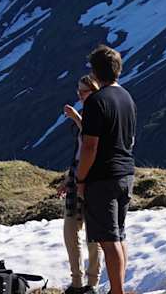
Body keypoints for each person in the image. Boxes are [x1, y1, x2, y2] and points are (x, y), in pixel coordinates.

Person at [75, 45, 137, 294]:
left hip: (103, 178)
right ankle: (117, 288)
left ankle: (117, 291)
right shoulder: (126, 97)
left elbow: (90, 147)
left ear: (95, 71)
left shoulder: (96, 102)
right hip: (126, 173)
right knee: (118, 236)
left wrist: (81, 179)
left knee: (107, 239)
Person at [58, 75, 103, 294]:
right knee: (70, 230)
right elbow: (79, 152)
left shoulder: (99, 114)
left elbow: (93, 143)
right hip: (77, 179)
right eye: (78, 91)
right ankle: (77, 281)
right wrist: (68, 179)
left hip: (93, 181)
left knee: (93, 233)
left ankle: (92, 283)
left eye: (83, 92)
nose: (79, 96)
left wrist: (77, 119)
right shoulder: (87, 114)